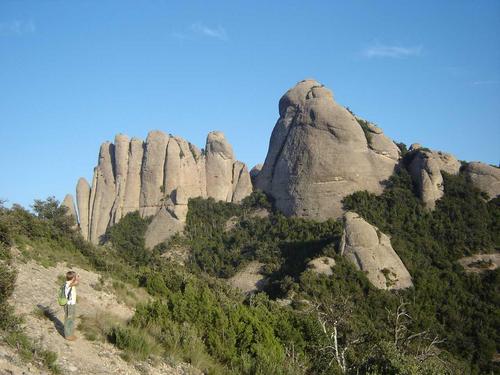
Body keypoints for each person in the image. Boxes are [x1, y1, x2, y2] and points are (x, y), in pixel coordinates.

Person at [64, 271, 80, 341]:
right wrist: (77, 278)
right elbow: (76, 283)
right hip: (69, 304)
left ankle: (70, 333)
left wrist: (76, 278)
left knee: (71, 319)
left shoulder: (69, 283)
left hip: (71, 304)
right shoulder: (68, 284)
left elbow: (76, 284)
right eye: (74, 276)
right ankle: (68, 336)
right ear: (72, 278)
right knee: (69, 319)